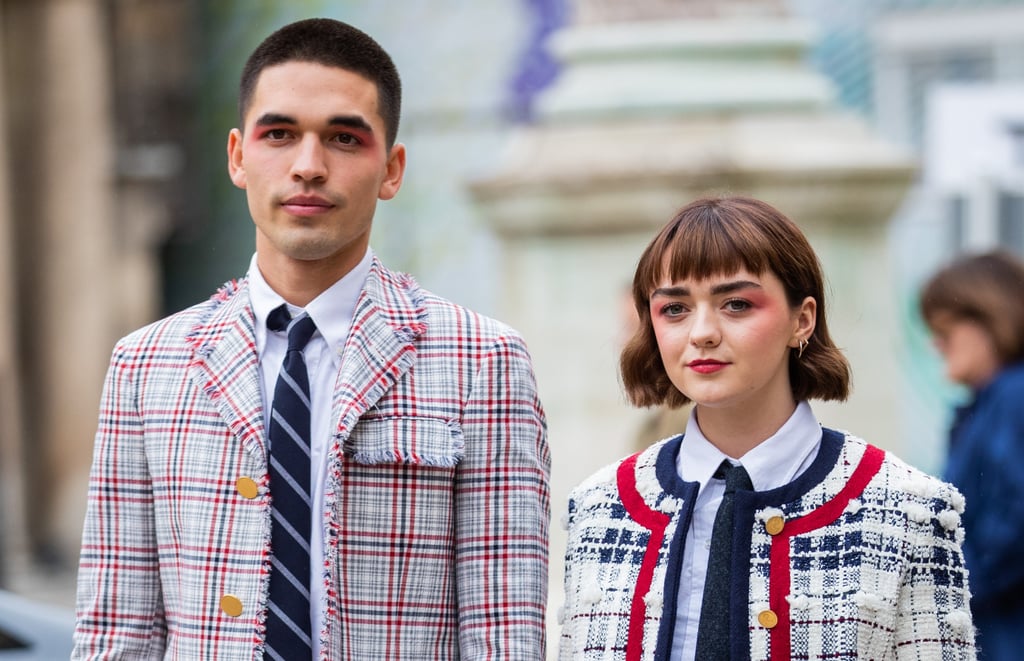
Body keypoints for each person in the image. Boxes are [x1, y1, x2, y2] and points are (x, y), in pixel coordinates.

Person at [73, 18, 550, 660]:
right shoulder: (147, 365)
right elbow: (115, 635)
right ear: (239, 157)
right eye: (279, 134)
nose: (308, 166)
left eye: (344, 138)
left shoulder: (481, 361)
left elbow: (504, 633)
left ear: (392, 168)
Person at [558, 196, 976, 660]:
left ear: (803, 319)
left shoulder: (907, 508)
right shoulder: (600, 507)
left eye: (736, 304)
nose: (702, 333)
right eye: (674, 309)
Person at [919, 250, 1024, 661]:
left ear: (990, 317)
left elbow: (1014, 524)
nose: (936, 344)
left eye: (945, 328)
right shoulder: (989, 403)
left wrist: (941, 595)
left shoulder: (1013, 398)